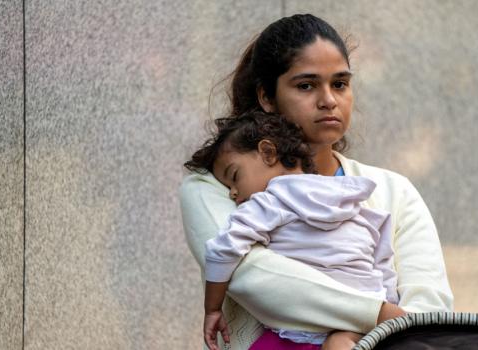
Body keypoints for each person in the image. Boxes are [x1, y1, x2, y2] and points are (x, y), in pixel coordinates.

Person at [179, 13, 453, 350]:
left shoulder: (393, 192)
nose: (329, 100)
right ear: (266, 96)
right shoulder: (217, 187)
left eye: (339, 83)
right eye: (306, 85)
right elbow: (256, 277)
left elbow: (430, 310)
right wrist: (380, 313)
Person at [185, 111, 400, 350]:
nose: (232, 193)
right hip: (364, 320)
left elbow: (223, 249)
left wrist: (212, 309)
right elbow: (383, 262)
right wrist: (390, 309)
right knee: (340, 343)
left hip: (306, 327)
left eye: (235, 177)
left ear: (267, 152)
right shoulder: (352, 200)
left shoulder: (270, 202)